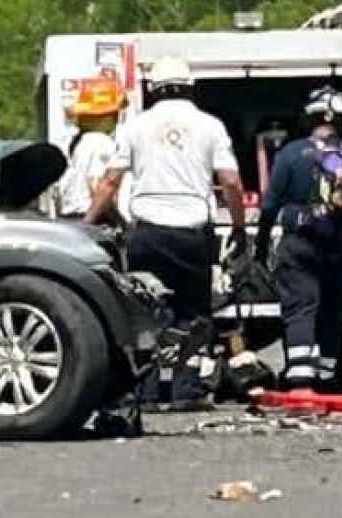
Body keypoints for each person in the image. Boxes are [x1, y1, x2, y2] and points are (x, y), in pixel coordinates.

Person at [84, 56, 247, 411]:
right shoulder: (211, 126)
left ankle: (147, 391)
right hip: (191, 234)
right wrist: (238, 225)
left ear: (153, 89)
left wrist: (86, 224)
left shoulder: (135, 127)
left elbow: (110, 181)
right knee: (193, 315)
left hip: (148, 234)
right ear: (189, 87)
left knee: (148, 314)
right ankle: (186, 390)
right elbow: (231, 182)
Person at [253, 85, 342, 392]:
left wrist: (260, 245)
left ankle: (300, 376)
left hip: (301, 246)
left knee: (301, 308)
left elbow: (270, 205)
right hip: (339, 249)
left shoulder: (292, 154)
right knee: (331, 311)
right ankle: (327, 377)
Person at [53, 77, 128, 220]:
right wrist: (117, 219)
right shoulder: (101, 142)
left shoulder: (77, 141)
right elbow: (97, 186)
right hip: (91, 218)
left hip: (71, 217)